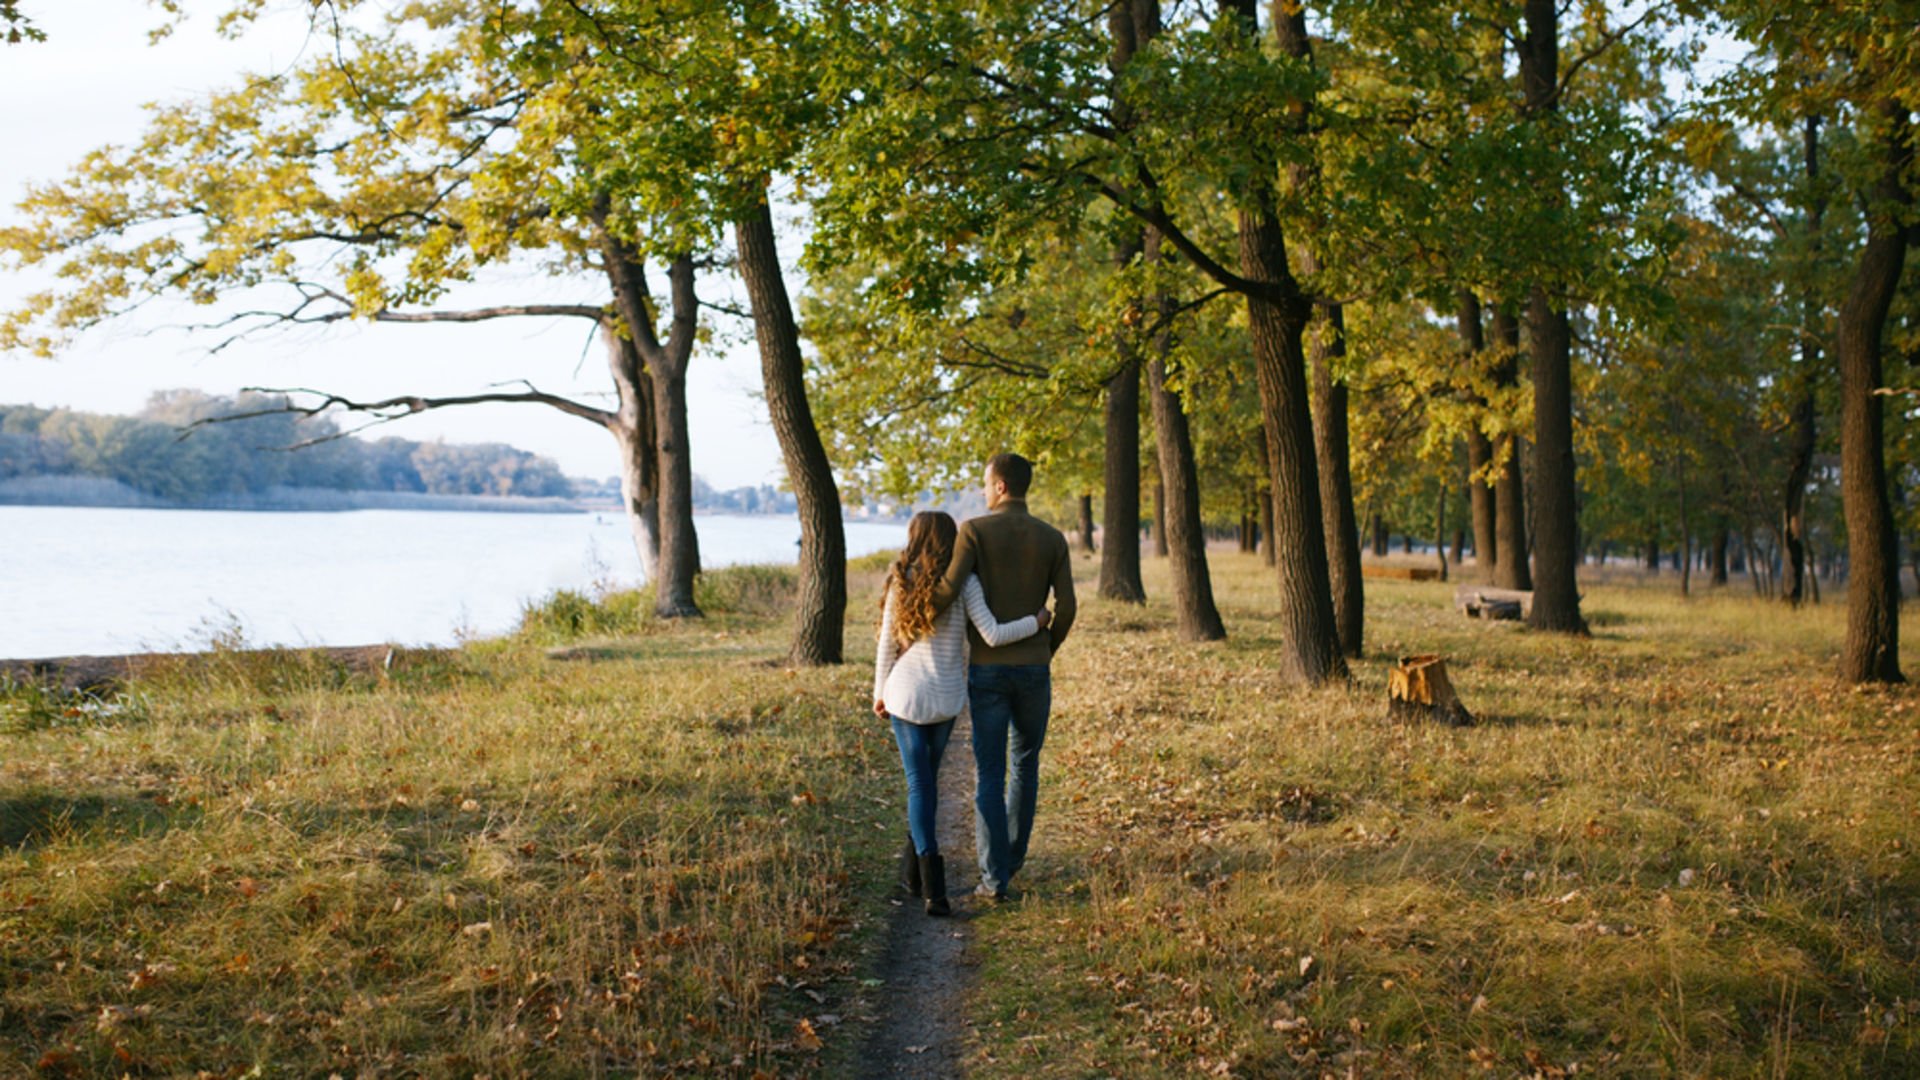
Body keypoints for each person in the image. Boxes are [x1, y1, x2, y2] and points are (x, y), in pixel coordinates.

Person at [874, 511, 1051, 915]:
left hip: (904, 694)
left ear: (914, 538)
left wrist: (879, 693)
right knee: (927, 782)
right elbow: (993, 634)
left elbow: (886, 643)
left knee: (920, 784)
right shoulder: (966, 584)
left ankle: (931, 888)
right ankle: (917, 875)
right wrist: (1036, 621)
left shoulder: (902, 581)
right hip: (946, 698)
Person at [931, 452, 1076, 902]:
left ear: (998, 486)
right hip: (1035, 668)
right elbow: (1066, 607)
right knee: (1024, 765)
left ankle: (994, 879)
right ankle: (1011, 861)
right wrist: (1044, 649)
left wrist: (907, 611)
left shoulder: (974, 531)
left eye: (984, 483)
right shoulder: (1052, 538)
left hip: (989, 673)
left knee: (990, 772)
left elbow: (949, 589)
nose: (982, 490)